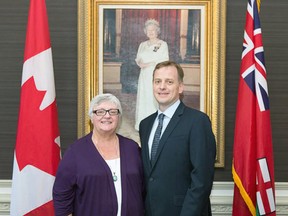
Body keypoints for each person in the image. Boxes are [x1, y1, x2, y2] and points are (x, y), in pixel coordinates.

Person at [139, 61, 216, 216]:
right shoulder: (145, 125)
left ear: (180, 87)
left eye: (169, 82)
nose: (162, 87)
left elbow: (201, 180)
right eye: (157, 81)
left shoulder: (197, 121)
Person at [53, 93, 144, 216]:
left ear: (119, 117)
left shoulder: (132, 148)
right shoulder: (75, 152)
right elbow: (62, 194)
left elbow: (143, 187)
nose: (107, 116)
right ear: (91, 117)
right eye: (100, 112)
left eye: (113, 111)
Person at [134, 18, 169, 131]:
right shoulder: (142, 44)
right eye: (148, 30)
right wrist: (141, 64)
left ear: (157, 31)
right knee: (144, 98)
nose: (150, 32)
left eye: (153, 30)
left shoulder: (162, 44)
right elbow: (138, 59)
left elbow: (165, 61)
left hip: (156, 75)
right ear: (145, 31)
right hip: (144, 75)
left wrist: (149, 64)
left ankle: (155, 124)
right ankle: (142, 123)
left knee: (154, 97)